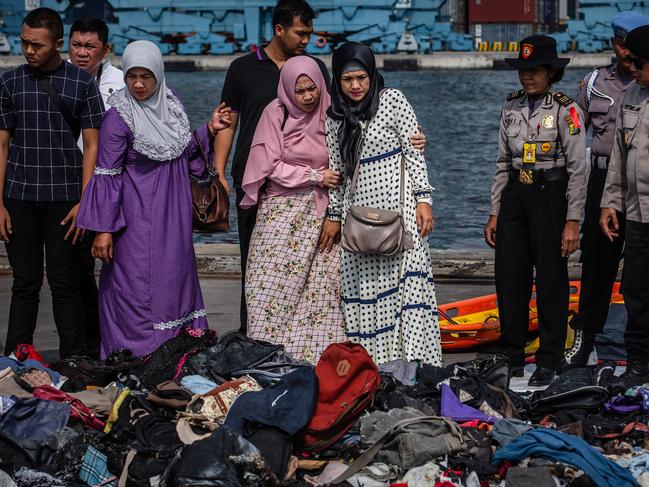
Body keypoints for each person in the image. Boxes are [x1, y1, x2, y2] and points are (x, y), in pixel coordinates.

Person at [218, 0, 426, 333]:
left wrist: (407, 136)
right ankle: (254, 341)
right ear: (279, 29)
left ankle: (311, 344)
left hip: (320, 199)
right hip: (262, 188)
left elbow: (350, 115)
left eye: (311, 87)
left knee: (321, 280)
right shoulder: (244, 70)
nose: (306, 40)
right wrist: (218, 170)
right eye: (301, 33)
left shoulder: (317, 70)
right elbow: (228, 122)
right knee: (259, 273)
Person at [76, 40, 231, 359]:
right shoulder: (119, 117)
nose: (138, 84)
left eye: (146, 76)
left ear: (158, 75)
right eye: (132, 75)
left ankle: (177, 354)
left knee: (174, 280)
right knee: (133, 286)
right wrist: (104, 230)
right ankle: (136, 356)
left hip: (173, 219)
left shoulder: (172, 106)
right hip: (134, 221)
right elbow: (107, 174)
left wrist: (210, 130)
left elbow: (186, 154)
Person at [321, 42, 441, 366]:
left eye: (361, 77)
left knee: (408, 291)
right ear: (337, 81)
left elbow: (414, 152)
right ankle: (374, 368)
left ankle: (414, 367)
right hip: (359, 216)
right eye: (347, 80)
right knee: (366, 295)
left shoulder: (393, 100)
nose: (356, 86)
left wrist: (424, 201)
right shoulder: (334, 117)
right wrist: (333, 216)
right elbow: (337, 173)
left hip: (400, 213)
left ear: (372, 74)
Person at [0, 8, 104, 358]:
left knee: (65, 283)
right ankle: (16, 358)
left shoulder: (82, 82)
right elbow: (1, 145)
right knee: (24, 283)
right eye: (24, 43)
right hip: (19, 196)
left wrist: (86, 202)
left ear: (58, 43)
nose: (29, 50)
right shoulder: (10, 82)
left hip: (66, 199)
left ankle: (74, 359)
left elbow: (93, 145)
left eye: (37, 45)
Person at [484, 36, 588, 386]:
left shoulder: (565, 109)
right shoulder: (510, 106)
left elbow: (578, 169)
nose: (527, 77)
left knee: (550, 279)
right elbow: (501, 162)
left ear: (550, 72)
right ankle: (511, 355)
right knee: (509, 277)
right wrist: (495, 211)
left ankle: (549, 357)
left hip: (550, 194)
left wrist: (573, 220)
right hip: (515, 194)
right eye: (523, 70)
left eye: (535, 70)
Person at [240, 56, 345, 363]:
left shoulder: (333, 113)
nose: (308, 97)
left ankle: (315, 358)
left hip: (322, 214)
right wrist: (314, 175)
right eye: (300, 91)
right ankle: (267, 357)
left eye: (313, 88)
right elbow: (269, 165)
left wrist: (412, 136)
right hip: (281, 213)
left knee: (322, 289)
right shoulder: (275, 113)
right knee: (268, 285)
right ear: (287, 90)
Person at [561, 11, 649, 371]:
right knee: (597, 268)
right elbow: (574, 131)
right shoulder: (595, 83)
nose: (630, 59)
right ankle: (585, 339)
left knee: (639, 278)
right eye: (625, 49)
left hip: (641, 189)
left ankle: (639, 349)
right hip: (606, 183)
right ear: (616, 45)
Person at [69, 16, 126, 358]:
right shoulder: (59, 78)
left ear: (105, 50)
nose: (81, 53)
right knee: (76, 270)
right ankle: (88, 343)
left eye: (90, 47)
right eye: (76, 45)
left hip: (113, 184)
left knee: (117, 267)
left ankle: (117, 339)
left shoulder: (120, 83)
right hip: (70, 181)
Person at [600, 24, 649, 386]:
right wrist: (609, 203)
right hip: (636, 212)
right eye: (629, 60)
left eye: (639, 62)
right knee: (635, 289)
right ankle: (638, 362)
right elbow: (619, 154)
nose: (631, 68)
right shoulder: (631, 95)